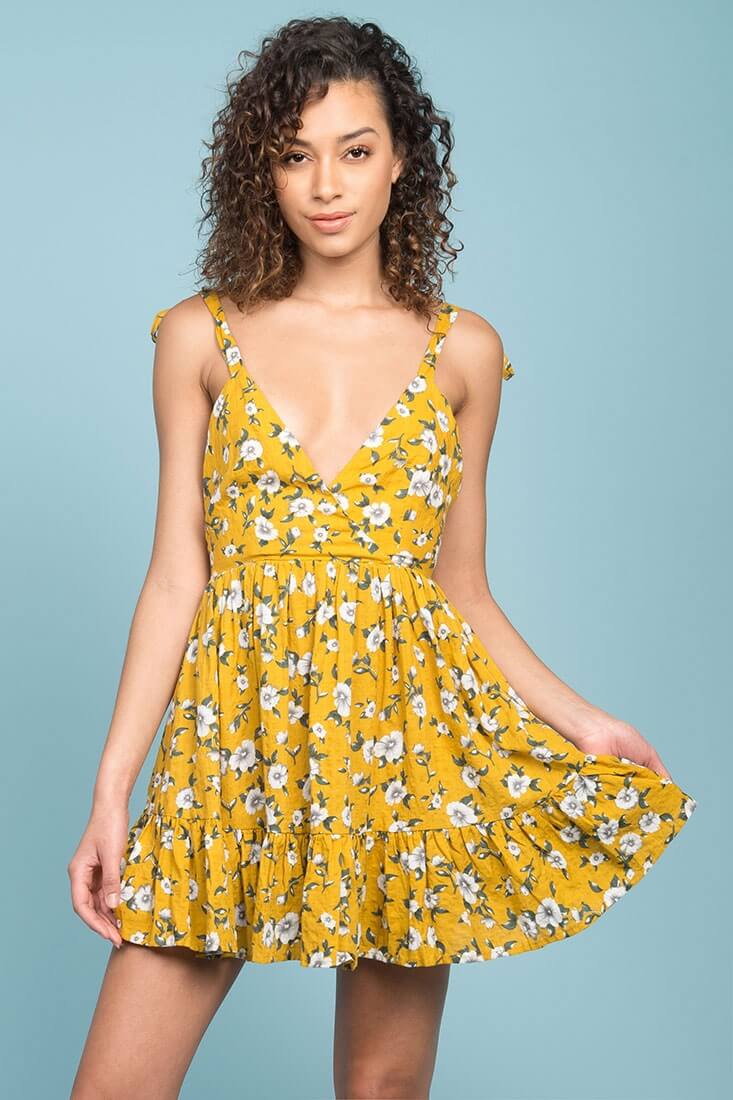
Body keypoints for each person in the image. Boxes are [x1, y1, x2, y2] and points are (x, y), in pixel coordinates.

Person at [69, 15, 697, 1100]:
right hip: (231, 745)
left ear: (401, 159)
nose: (326, 185)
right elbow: (177, 575)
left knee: (381, 1089)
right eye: (295, 154)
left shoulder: (465, 353)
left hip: (407, 751)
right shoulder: (197, 335)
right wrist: (111, 792)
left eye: (354, 150)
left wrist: (581, 722)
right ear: (261, 169)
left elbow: (460, 590)